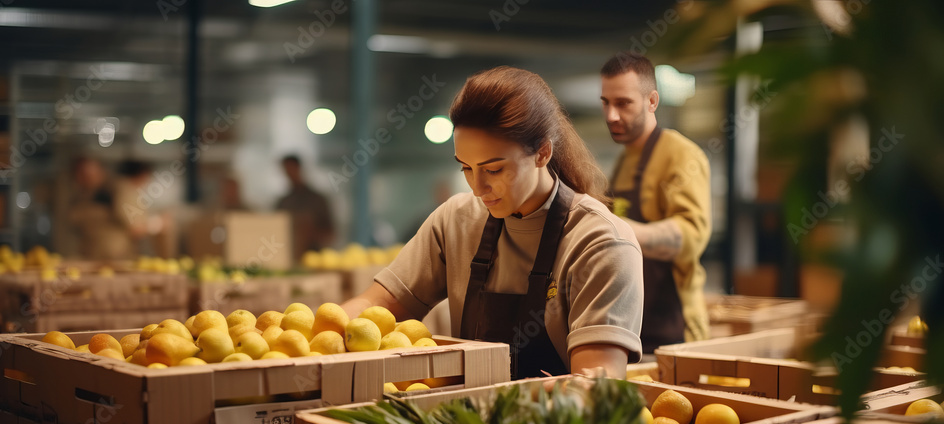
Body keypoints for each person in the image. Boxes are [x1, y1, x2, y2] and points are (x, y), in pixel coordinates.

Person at [343, 66, 644, 380]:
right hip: (465, 421)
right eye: (466, 168)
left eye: (495, 169)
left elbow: (595, 386)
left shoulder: (600, 242)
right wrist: (321, 331)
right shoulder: (455, 221)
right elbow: (376, 309)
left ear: (542, 152)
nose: (477, 187)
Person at [600, 53, 711, 356]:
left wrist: (615, 230)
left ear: (652, 101)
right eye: (605, 103)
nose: (611, 115)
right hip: (635, 326)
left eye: (623, 103)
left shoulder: (681, 155)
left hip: (674, 332)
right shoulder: (624, 161)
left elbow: (691, 236)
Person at [275, 155, 334, 261]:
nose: (289, 173)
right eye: (286, 170)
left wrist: (309, 232)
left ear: (299, 169)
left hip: (314, 258)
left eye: (291, 168)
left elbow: (330, 233)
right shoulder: (283, 202)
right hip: (287, 257)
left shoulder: (317, 200)